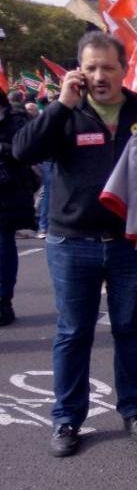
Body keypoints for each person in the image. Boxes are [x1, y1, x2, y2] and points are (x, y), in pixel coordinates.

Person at [13, 32, 137, 456]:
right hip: (71, 241)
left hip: (130, 242)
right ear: (79, 69)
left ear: (123, 69)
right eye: (90, 67)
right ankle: (67, 418)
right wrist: (60, 105)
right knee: (74, 331)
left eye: (107, 67)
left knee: (131, 327)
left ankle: (134, 408)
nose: (99, 76)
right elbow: (23, 152)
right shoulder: (66, 113)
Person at [0, 90, 35, 326]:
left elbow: (25, 151)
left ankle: (3, 301)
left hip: (7, 195)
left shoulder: (16, 120)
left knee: (3, 246)